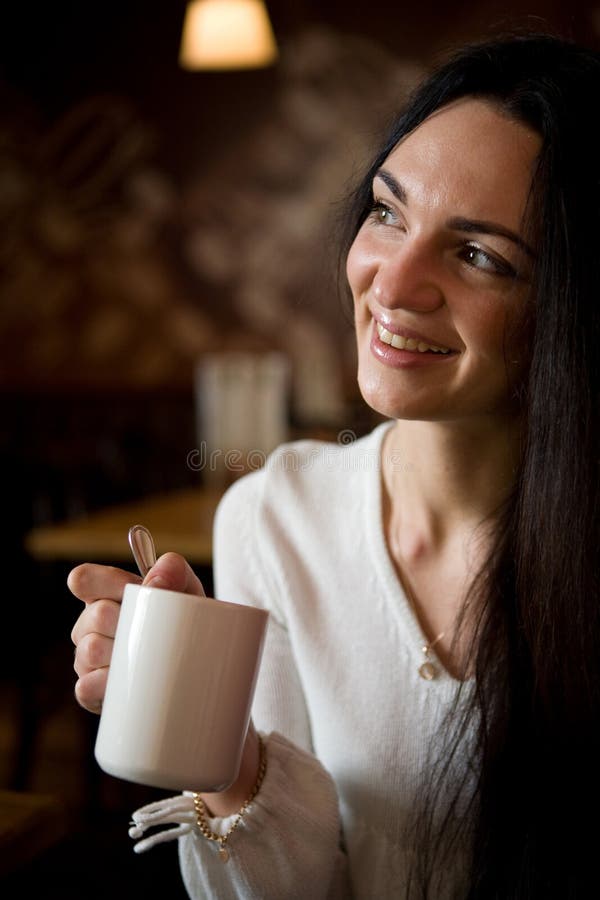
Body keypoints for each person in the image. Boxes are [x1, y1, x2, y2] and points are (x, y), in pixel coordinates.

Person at [68, 29, 600, 899]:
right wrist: (229, 761)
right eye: (388, 212)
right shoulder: (276, 517)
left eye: (477, 256)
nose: (392, 284)